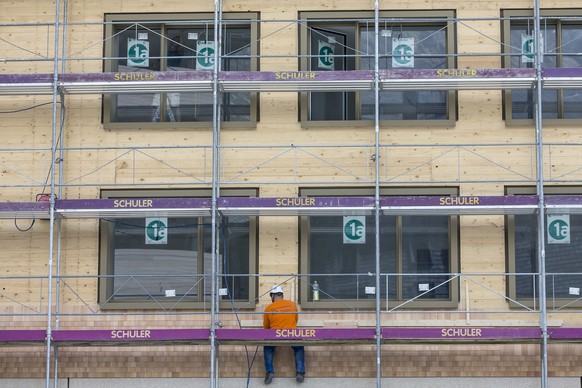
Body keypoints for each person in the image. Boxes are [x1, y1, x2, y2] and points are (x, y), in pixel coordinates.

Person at [263, 285, 305, 385]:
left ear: (273, 296)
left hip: (275, 335)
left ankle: (269, 372)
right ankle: (300, 372)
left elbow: (266, 327)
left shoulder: (268, 308)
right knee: (299, 347)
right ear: (281, 294)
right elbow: (295, 320)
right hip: (292, 334)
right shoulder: (292, 305)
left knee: (268, 348)